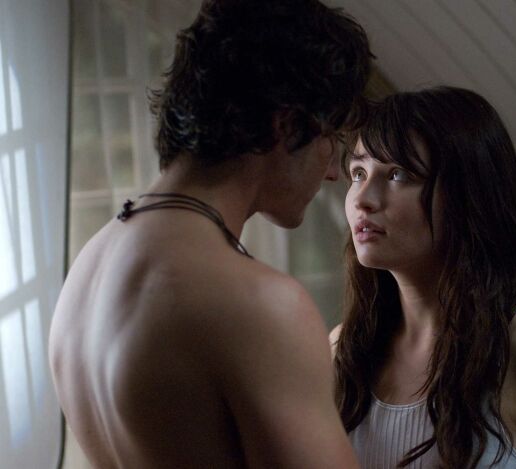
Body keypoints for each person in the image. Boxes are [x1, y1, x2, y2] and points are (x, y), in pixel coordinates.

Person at [49, 1, 371, 467]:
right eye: (332, 139)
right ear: (286, 126)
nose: (333, 173)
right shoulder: (259, 304)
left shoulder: (86, 272)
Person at [332, 87, 516, 468]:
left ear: (467, 195)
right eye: (358, 173)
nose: (362, 199)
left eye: (398, 174)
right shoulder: (343, 351)